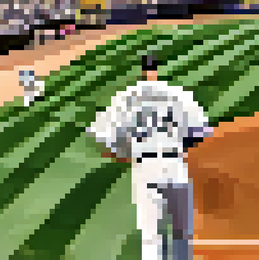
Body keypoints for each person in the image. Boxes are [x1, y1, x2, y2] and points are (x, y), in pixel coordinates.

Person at [89, 54, 212, 260]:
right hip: (174, 165)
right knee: (181, 231)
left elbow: (104, 138)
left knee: (151, 235)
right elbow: (199, 132)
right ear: (158, 69)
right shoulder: (177, 94)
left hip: (144, 166)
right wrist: (181, 147)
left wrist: (122, 155)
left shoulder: (125, 97)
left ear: (142, 70)